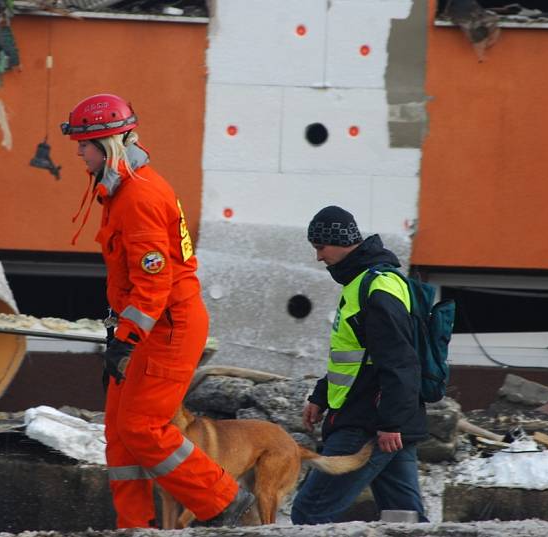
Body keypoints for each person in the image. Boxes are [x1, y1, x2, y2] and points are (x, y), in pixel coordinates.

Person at [60, 93, 254, 529]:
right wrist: (119, 335)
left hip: (168, 327)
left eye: (83, 144)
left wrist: (124, 338)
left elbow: (153, 282)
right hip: (148, 325)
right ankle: (136, 524)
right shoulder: (124, 191)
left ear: (107, 145)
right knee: (120, 430)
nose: (78, 152)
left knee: (143, 426)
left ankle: (223, 500)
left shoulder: (138, 197)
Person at [290, 205, 428, 524]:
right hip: (384, 419)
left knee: (310, 513)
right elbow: (354, 355)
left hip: (368, 422)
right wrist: (321, 396)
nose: (319, 257)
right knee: (402, 518)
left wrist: (391, 422)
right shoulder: (361, 283)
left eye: (320, 247)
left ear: (340, 241)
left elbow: (400, 360)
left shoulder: (376, 287)